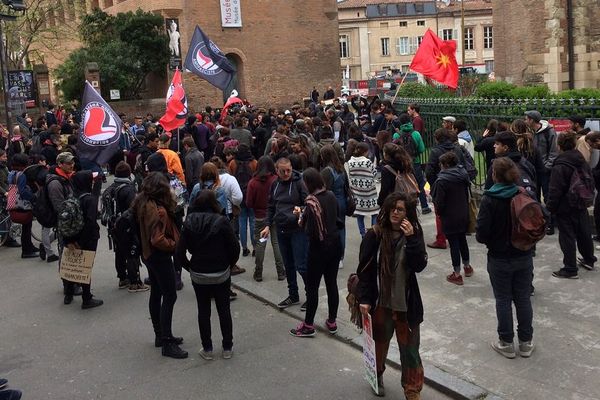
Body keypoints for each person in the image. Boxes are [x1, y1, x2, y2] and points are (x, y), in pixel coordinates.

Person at [356, 192, 428, 399]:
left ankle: (412, 390)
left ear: (408, 213)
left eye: (400, 209)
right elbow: (365, 270)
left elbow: (419, 266)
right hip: (382, 304)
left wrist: (412, 239)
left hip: (406, 304)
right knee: (379, 343)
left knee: (411, 350)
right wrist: (365, 299)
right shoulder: (375, 235)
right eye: (392, 209)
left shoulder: (414, 233)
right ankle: (376, 375)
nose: (395, 213)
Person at [476, 157, 535, 359]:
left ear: (494, 175)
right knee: (523, 298)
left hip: (499, 256)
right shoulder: (524, 193)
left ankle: (506, 342)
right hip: (524, 254)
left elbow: (481, 233)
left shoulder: (489, 199)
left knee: (503, 300)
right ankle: (526, 343)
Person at [177, 189, 238, 360]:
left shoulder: (188, 222)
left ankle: (208, 348)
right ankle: (227, 347)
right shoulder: (222, 221)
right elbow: (234, 248)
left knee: (203, 310)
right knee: (224, 309)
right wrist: (229, 265)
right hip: (221, 271)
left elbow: (179, 253)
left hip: (199, 272)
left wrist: (190, 268)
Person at [132, 172, 187, 359]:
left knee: (156, 292)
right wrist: (174, 245)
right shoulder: (158, 209)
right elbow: (158, 239)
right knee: (170, 295)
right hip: (159, 255)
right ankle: (166, 342)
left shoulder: (142, 202)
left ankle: (160, 335)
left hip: (148, 255)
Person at [290, 168, 342, 337]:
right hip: (334, 245)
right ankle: (332, 321)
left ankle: (308, 325)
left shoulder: (311, 202)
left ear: (309, 183)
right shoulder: (331, 196)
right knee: (331, 283)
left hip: (318, 249)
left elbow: (308, 230)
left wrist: (300, 216)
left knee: (312, 287)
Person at [547, 131, 596, 279]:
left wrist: (550, 207)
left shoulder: (560, 164)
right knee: (584, 232)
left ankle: (570, 268)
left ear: (559, 145)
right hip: (581, 201)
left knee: (567, 236)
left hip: (565, 205)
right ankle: (589, 259)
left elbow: (555, 189)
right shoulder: (580, 159)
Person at [260, 157, 308, 309]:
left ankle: (310, 295)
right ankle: (293, 295)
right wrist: (267, 225)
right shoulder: (275, 184)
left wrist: (301, 209)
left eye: (289, 170)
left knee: (301, 265)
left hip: (297, 230)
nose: (287, 173)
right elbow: (271, 206)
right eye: (283, 171)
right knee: (288, 264)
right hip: (281, 229)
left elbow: (308, 202)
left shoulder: (299, 182)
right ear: (277, 171)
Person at [63, 170, 104, 309]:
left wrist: (70, 240)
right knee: (85, 266)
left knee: (72, 263)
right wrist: (82, 242)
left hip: (70, 236)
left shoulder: (72, 196)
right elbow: (90, 222)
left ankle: (68, 293)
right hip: (87, 238)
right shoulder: (89, 199)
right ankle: (86, 298)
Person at [431, 152, 472, 285]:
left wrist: (439, 211)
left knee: (454, 244)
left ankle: (457, 273)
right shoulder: (463, 175)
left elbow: (439, 202)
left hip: (449, 216)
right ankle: (467, 266)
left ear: (446, 165)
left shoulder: (442, 180)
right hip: (463, 213)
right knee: (462, 240)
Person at [246, 156, 286, 281]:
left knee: (260, 244)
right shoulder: (276, 180)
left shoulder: (253, 183)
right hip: (275, 216)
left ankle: (258, 272)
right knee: (276, 243)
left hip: (259, 217)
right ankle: (281, 272)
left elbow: (248, 203)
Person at [110, 161, 148, 292]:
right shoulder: (128, 189)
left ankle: (122, 278)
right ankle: (135, 282)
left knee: (119, 251)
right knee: (132, 252)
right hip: (128, 225)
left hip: (115, 224)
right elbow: (134, 208)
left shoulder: (112, 187)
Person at [525, 110, 558, 234]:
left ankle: (550, 223)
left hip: (545, 170)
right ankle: (538, 221)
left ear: (532, 120)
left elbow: (554, 152)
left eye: (526, 118)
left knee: (548, 196)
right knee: (534, 196)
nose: (525, 121)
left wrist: (546, 167)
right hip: (533, 169)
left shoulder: (549, 132)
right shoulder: (530, 132)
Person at [425, 128, 457, 250]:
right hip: (456, 184)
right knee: (454, 210)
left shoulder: (435, 151)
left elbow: (429, 171)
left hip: (441, 185)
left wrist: (434, 185)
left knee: (440, 212)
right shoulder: (455, 148)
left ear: (437, 138)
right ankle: (452, 234)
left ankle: (441, 239)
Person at [320, 144, 348, 268]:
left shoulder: (327, 171)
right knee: (341, 229)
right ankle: (341, 256)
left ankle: (334, 256)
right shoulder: (341, 168)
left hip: (332, 203)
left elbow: (324, 189)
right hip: (342, 201)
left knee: (331, 229)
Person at [228, 144, 257, 257]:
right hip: (251, 195)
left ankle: (244, 248)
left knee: (242, 221)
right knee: (253, 221)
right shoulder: (254, 163)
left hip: (239, 195)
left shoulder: (233, 163)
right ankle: (255, 247)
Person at [7, 154, 37, 258]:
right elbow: (23, 191)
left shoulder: (11, 173)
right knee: (27, 226)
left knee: (26, 226)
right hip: (22, 204)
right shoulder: (22, 174)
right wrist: (33, 197)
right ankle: (27, 250)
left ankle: (29, 246)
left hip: (13, 201)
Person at [346, 142, 379, 237]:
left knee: (360, 215)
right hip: (370, 193)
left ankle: (363, 234)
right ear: (365, 152)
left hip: (357, 193)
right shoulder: (367, 162)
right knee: (374, 213)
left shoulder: (350, 162)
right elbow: (374, 173)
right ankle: (373, 233)